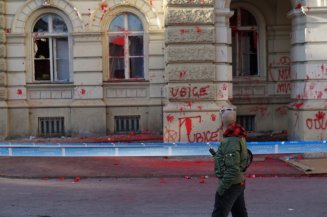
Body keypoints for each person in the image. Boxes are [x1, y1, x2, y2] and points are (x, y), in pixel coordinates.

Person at [211, 109, 249, 217]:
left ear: (222, 122)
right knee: (240, 214)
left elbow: (233, 168)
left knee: (219, 214)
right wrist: (218, 156)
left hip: (231, 184)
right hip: (238, 182)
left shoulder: (230, 141)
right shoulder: (239, 136)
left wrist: (222, 188)